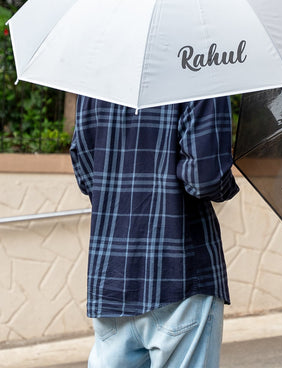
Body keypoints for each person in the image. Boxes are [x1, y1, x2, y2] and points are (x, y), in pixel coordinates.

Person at [70, 95, 239, 368]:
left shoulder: (97, 72)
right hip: (182, 270)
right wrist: (225, 176)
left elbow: (87, 172)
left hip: (112, 271)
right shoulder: (204, 64)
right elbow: (205, 178)